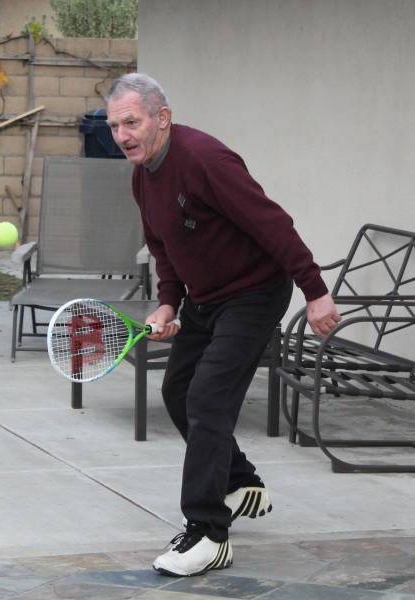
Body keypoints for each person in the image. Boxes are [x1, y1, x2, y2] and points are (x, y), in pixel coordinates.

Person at [106, 73, 341, 578]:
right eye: (114, 125)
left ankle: (210, 533)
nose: (123, 134)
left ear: (161, 118)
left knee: (207, 399)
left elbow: (271, 222)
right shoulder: (142, 173)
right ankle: (240, 481)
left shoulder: (206, 161)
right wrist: (168, 304)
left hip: (254, 293)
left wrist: (315, 290)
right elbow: (163, 246)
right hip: (205, 299)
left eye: (132, 121)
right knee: (178, 391)